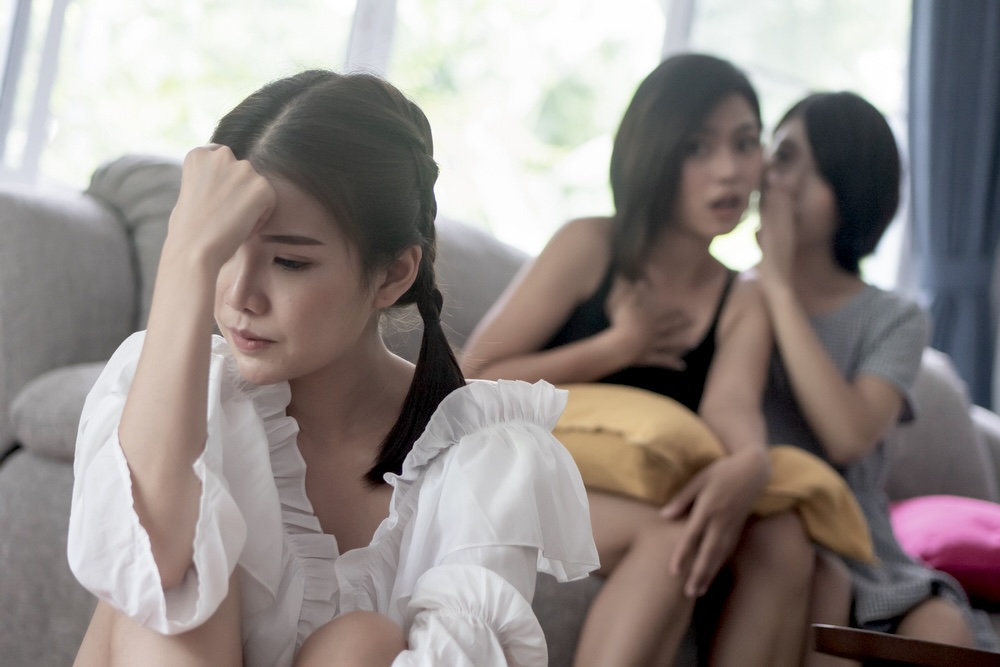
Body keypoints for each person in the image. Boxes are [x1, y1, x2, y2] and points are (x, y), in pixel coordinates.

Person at [66, 69, 599, 667]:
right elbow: (151, 563)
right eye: (221, 252)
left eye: (289, 262)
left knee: (363, 643)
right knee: (177, 592)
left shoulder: (483, 458)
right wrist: (186, 259)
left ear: (394, 274)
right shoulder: (186, 392)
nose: (240, 295)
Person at [461, 53, 816, 667]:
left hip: (633, 493)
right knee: (675, 534)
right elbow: (474, 374)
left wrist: (752, 461)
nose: (729, 171)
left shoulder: (743, 296)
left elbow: (730, 404)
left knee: (784, 536)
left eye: (744, 144)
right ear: (653, 153)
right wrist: (616, 348)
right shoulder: (589, 243)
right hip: (519, 474)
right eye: (697, 149)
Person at [756, 90, 1000, 654]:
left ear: (851, 194)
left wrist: (779, 289)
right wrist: (767, 285)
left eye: (811, 171)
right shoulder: (735, 297)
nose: (783, 180)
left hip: (862, 544)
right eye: (783, 155)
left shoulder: (895, 317)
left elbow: (848, 435)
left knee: (943, 627)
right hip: (776, 530)